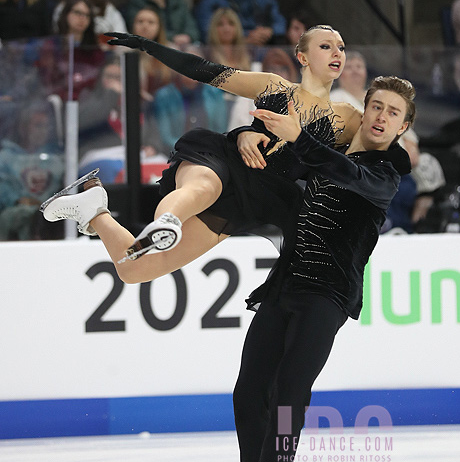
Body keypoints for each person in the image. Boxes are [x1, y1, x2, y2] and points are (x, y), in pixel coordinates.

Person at [205, 75, 415, 462]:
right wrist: (243, 135)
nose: (382, 117)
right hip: (284, 287)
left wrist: (300, 139)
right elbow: (268, 169)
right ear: (364, 112)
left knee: (288, 396)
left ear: (404, 127)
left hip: (327, 296)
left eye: (393, 113)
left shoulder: (386, 174)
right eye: (376, 107)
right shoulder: (320, 152)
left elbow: (348, 174)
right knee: (248, 394)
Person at [41, 25, 362, 285]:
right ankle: (164, 225)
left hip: (252, 199)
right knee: (203, 188)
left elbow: (357, 164)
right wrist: (147, 46)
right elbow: (206, 71)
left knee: (134, 270)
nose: (337, 52)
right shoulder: (274, 86)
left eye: (341, 47)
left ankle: (95, 210)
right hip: (224, 162)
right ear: (302, 57)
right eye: (326, 46)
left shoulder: (348, 117)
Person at [0, 99, 64, 240]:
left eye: (46, 126)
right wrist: (18, 200)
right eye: (38, 126)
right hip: (16, 214)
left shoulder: (57, 159)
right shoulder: (6, 158)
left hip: (50, 216)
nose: (43, 131)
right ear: (23, 128)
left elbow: (63, 187)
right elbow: (2, 187)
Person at [194, 0, 286, 46]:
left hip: (263, 52)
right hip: (225, 55)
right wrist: (244, 38)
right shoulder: (210, 2)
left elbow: (281, 23)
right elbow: (206, 33)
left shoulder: (263, 0)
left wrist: (269, 31)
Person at [124, 0, 200, 46]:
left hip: (182, 47)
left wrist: (188, 37)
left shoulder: (179, 3)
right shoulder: (135, 3)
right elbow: (138, 30)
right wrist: (173, 38)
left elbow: (192, 29)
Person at [52, 0, 127, 37]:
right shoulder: (63, 7)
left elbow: (122, 35)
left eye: (87, 15)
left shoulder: (107, 7)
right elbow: (59, 33)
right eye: (78, 13)